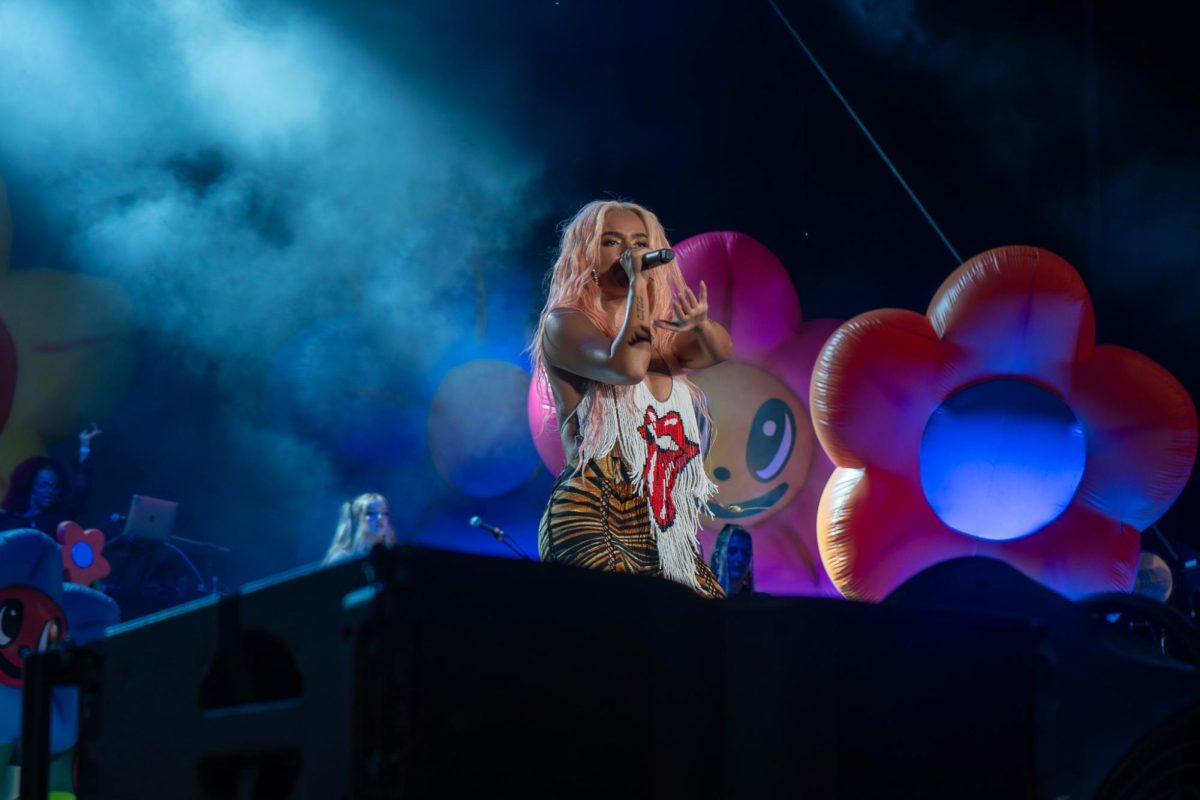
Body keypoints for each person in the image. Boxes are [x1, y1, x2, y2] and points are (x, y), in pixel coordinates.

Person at [532, 200, 733, 598]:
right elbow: (627, 367)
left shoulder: (656, 335)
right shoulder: (565, 322)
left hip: (662, 526)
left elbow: (718, 351)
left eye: (640, 242)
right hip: (595, 510)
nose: (629, 252)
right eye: (613, 242)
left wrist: (700, 326)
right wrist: (639, 285)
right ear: (587, 254)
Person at [0, 424, 101, 538]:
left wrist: (85, 446)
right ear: (31, 487)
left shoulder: (56, 518)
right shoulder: (8, 521)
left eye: (54, 486)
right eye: (44, 485)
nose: (50, 491)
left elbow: (80, 490)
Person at [323, 492, 396, 565]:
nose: (380, 517)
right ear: (357, 521)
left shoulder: (392, 556)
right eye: (372, 513)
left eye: (385, 513)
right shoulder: (341, 559)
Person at [709, 524, 756, 598]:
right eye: (732, 551)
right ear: (717, 557)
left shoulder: (761, 604)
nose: (740, 558)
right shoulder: (700, 599)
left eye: (746, 553)